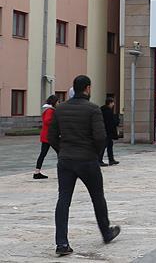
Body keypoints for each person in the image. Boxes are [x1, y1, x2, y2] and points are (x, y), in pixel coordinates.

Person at [48, 75, 121, 257]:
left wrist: (62, 151)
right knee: (97, 197)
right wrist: (95, 154)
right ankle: (106, 232)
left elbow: (51, 136)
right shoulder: (93, 109)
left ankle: (62, 242)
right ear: (88, 88)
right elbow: (100, 137)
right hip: (87, 160)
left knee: (63, 199)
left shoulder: (60, 109)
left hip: (66, 161)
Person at [34, 95, 59, 180]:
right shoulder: (50, 111)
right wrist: (56, 122)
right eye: (58, 101)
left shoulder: (49, 110)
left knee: (43, 154)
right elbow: (47, 121)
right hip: (49, 136)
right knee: (60, 152)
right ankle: (64, 171)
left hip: (46, 135)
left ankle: (37, 172)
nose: (58, 103)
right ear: (54, 102)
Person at [99, 98, 119, 167]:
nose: (113, 104)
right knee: (104, 146)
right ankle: (100, 160)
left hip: (104, 131)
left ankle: (111, 159)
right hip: (108, 132)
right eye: (113, 103)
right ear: (110, 103)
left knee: (109, 145)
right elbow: (111, 122)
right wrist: (116, 121)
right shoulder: (108, 111)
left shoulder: (101, 110)